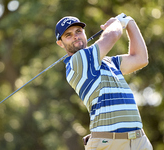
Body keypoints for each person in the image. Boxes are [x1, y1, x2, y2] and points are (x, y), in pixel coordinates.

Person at [55, 13, 153, 150]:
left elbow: (140, 58)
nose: (75, 36)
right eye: (68, 35)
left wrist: (130, 22)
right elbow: (112, 35)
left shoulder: (108, 61)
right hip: (110, 143)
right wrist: (117, 22)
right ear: (60, 43)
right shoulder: (77, 62)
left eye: (78, 31)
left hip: (138, 140)